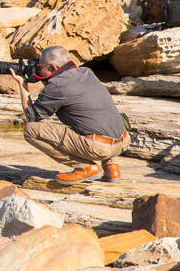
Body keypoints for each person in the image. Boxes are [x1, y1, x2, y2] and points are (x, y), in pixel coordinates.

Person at [10, 45, 129, 184]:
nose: (37, 68)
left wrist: (22, 84)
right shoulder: (86, 72)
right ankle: (112, 168)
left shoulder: (57, 86)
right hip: (123, 141)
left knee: (31, 130)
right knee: (95, 117)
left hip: (100, 147)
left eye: (40, 66)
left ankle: (85, 168)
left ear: (53, 68)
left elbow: (31, 116)